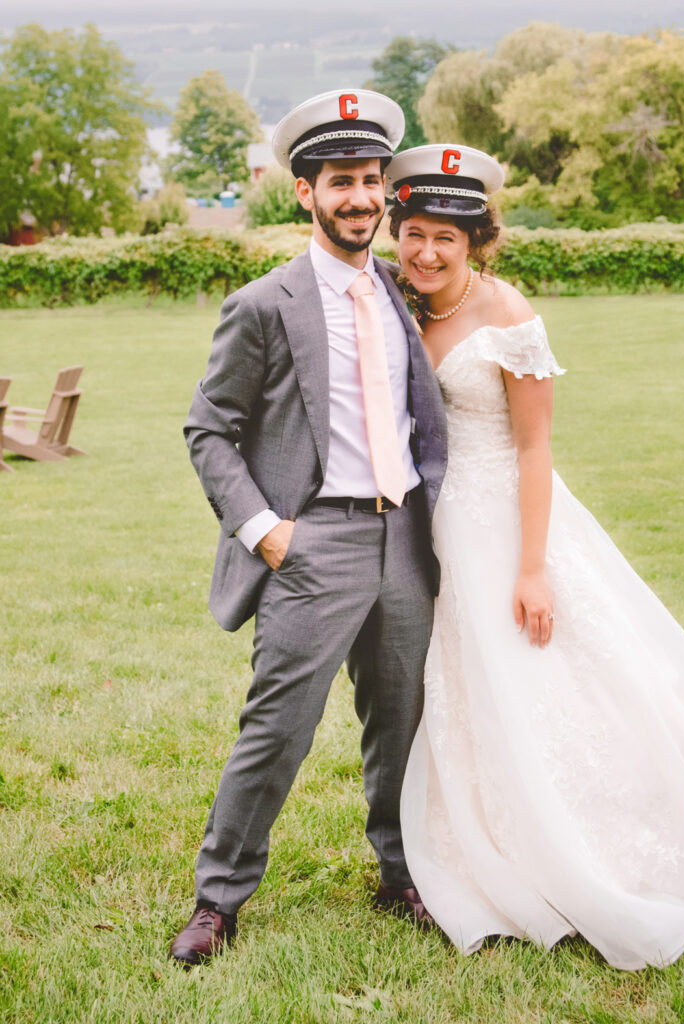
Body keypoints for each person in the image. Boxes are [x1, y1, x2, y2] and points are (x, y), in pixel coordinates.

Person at [386, 144, 684, 970]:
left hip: (509, 524)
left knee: (543, 677)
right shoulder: (401, 303)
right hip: (443, 527)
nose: (425, 251)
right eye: (413, 232)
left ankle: (592, 849)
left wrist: (532, 568)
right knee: (470, 685)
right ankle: (484, 841)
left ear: (476, 241)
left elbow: (535, 449)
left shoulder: (506, 315)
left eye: (444, 238)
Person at [171, 91, 447, 966]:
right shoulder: (264, 303)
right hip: (311, 542)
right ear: (305, 192)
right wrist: (264, 531)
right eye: (340, 182)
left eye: (370, 181)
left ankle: (402, 875)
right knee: (277, 727)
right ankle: (218, 899)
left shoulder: (402, 292)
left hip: (405, 540)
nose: (359, 198)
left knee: (401, 723)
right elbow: (208, 428)